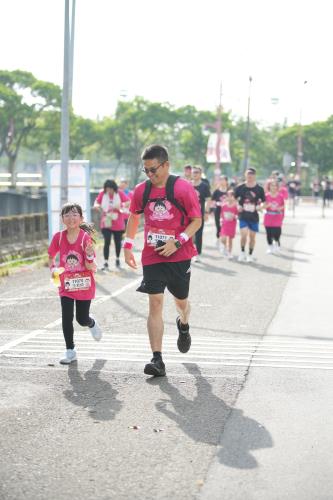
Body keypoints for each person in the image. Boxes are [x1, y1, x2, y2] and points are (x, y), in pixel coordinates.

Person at [123, 144, 202, 377]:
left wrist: (178, 242)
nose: (149, 175)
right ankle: (157, 359)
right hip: (153, 254)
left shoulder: (183, 189)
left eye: (153, 169)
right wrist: (128, 246)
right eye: (145, 170)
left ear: (166, 165)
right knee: (155, 302)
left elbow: (197, 220)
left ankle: (184, 324)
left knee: (181, 303)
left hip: (179, 254)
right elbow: (134, 217)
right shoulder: (141, 191)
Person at [48, 203, 102, 365]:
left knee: (81, 318)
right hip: (66, 284)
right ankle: (70, 351)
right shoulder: (58, 237)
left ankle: (91, 323)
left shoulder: (85, 238)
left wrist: (90, 256)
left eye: (74, 214)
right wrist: (53, 270)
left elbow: (89, 265)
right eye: (67, 215)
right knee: (66, 316)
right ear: (62, 218)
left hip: (84, 283)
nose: (71, 218)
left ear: (81, 218)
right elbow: (51, 256)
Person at [93, 179, 129, 269]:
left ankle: (117, 259)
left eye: (110, 189)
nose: (109, 191)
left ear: (114, 188)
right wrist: (97, 206)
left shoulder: (120, 193)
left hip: (118, 221)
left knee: (117, 242)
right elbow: (97, 202)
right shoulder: (103, 194)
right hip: (106, 221)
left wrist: (121, 205)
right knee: (107, 241)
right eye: (107, 189)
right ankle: (105, 262)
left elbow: (129, 201)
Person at [235, 167, 265, 262]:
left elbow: (264, 202)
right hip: (243, 215)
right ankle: (242, 252)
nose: (250, 176)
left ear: (255, 176)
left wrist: (260, 207)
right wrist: (237, 206)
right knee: (243, 235)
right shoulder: (240, 187)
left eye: (252, 175)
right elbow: (234, 199)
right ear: (245, 175)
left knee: (252, 237)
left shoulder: (259, 189)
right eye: (248, 175)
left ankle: (250, 254)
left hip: (254, 216)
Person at [192, 165, 211, 262]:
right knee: (188, 234)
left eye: (196, 172)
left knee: (199, 234)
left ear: (200, 174)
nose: (194, 174)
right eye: (193, 172)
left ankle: (198, 254)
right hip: (188, 214)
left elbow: (208, 200)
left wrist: (207, 212)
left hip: (199, 214)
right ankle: (189, 252)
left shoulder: (204, 186)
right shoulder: (188, 185)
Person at [263, 180, 285, 254]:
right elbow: (262, 206)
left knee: (277, 233)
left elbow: (283, 205)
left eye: (275, 185)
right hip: (268, 217)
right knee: (269, 233)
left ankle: (277, 243)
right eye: (272, 185)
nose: (273, 187)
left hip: (277, 216)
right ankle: (270, 246)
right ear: (269, 187)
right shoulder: (266, 196)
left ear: (277, 187)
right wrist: (267, 206)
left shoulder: (280, 196)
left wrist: (280, 208)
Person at [219, 189, 238, 259]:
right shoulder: (224, 206)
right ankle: (224, 246)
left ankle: (229, 252)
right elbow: (221, 214)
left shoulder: (236, 206)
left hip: (232, 224)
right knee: (223, 238)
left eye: (231, 196)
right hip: (224, 224)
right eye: (228, 196)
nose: (230, 197)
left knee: (230, 239)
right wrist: (220, 220)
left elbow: (237, 214)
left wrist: (235, 216)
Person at [211, 175, 228, 247]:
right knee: (218, 225)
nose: (222, 181)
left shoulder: (229, 191)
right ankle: (218, 238)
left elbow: (234, 200)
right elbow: (212, 201)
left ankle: (224, 241)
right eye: (220, 180)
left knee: (225, 225)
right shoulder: (216, 191)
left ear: (226, 181)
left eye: (223, 180)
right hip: (218, 210)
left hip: (226, 211)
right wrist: (212, 209)